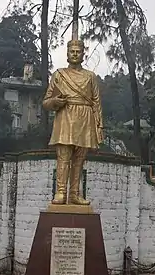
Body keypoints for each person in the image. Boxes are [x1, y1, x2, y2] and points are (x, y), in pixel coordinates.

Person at [42, 39, 103, 205]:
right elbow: (46, 102)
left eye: (78, 51)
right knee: (63, 157)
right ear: (67, 54)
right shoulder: (59, 74)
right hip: (65, 117)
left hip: (85, 118)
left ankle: (74, 194)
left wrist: (99, 125)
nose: (75, 54)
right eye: (72, 51)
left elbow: (96, 102)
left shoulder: (90, 77)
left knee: (79, 159)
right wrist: (55, 101)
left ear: (83, 54)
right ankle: (61, 192)